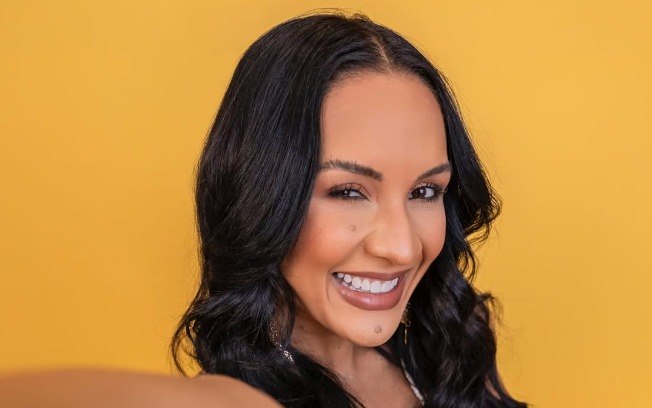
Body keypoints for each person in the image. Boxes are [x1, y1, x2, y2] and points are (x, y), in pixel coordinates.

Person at [0, 9, 528, 408]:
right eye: (348, 192)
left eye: (425, 192)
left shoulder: (447, 353)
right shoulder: (239, 398)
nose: (402, 247)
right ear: (264, 196)